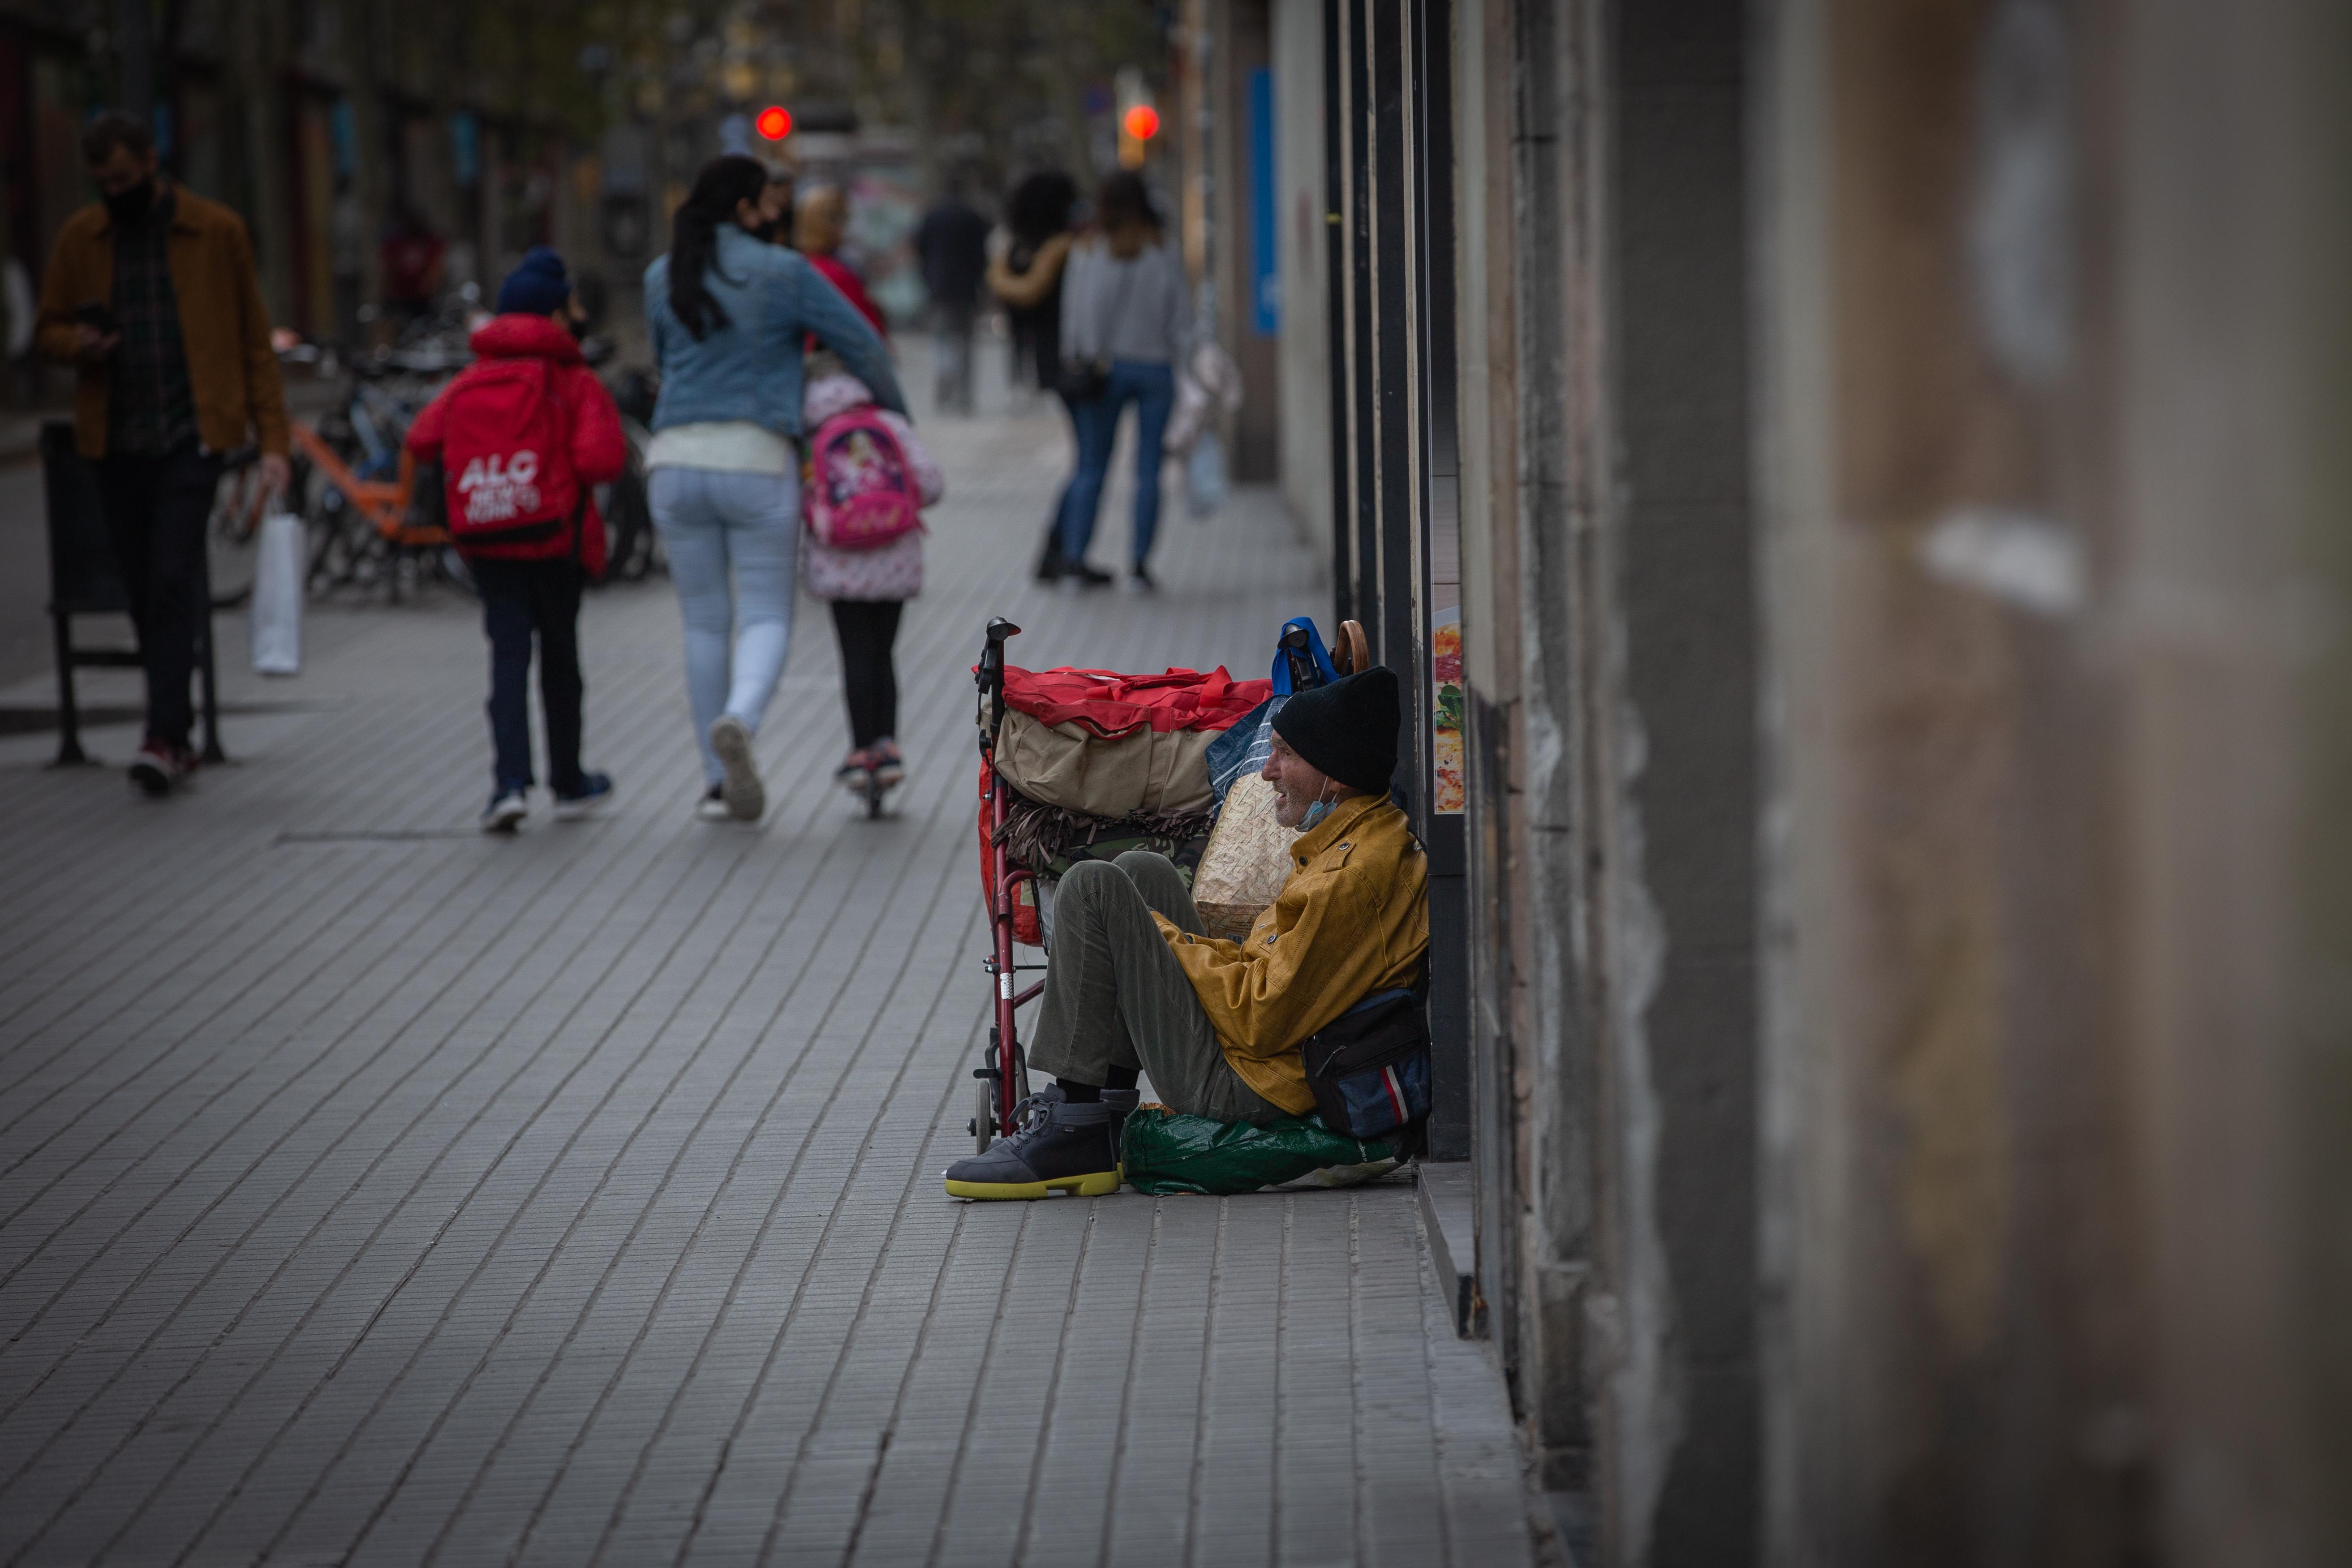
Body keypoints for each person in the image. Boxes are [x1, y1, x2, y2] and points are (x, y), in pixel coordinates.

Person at [943, 668, 1427, 1200]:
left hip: (1256, 1087)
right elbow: (1271, 984)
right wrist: (1164, 942)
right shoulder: (1363, 836)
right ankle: (1105, 1105)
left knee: (1091, 887)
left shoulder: (1350, 878)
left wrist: (1152, 940)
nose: (1267, 772)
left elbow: (1259, 1020)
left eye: (1284, 754)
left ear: (1334, 775)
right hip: (1272, 1057)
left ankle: (1073, 1125)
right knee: (1140, 870)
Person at [643, 155, 906, 824]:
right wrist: (892, 417)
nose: (774, 216)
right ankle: (740, 718)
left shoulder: (659, 275)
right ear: (742, 208)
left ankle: (713, 782)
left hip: (672, 460)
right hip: (757, 460)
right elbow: (862, 343)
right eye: (766, 204)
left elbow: (661, 359)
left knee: (703, 621)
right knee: (764, 614)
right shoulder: (784, 272)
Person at [35, 110, 289, 797]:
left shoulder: (215, 232)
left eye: (122, 177)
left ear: (151, 164)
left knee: (174, 574)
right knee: (144, 587)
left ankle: (164, 734)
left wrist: (273, 443)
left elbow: (253, 345)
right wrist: (78, 346)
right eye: (101, 182)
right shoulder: (82, 238)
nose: (113, 191)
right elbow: (47, 328)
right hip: (114, 440)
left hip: (190, 436)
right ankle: (171, 719)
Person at [404, 248, 625, 833]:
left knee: (506, 658)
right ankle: (568, 780)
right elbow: (601, 459)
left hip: (488, 542)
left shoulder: (471, 378)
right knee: (559, 660)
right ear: (555, 315)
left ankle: (507, 785)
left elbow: (422, 438)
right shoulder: (572, 378)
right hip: (555, 542)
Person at [798, 368, 944, 796]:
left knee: (854, 657)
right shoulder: (890, 423)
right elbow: (932, 485)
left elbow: (800, 501)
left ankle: (861, 752)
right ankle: (888, 748)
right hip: (893, 561)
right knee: (884, 654)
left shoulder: (811, 433)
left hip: (839, 565)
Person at [1056, 171, 1191, 595]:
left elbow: (1076, 316)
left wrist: (1079, 356)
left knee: (1091, 467)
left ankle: (1075, 558)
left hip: (1104, 370)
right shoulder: (1163, 250)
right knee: (1149, 471)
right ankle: (1139, 565)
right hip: (1155, 369)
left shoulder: (1088, 249)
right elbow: (1181, 318)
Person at [986, 170, 1092, 583]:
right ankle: (1061, 551)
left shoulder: (1015, 252)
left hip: (1048, 364)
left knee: (1085, 461)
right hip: (1076, 363)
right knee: (1088, 463)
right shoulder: (1065, 250)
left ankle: (1060, 548)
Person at [913, 174, 991, 414]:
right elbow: (982, 254)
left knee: (942, 339)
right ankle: (964, 395)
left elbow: (920, 248)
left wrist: (926, 276)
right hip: (966, 288)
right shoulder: (973, 216)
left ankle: (945, 383)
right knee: (966, 343)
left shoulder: (932, 216)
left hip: (938, 286)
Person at [793, 182, 888, 339]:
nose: (849, 228)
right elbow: (869, 333)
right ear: (829, 225)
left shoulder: (798, 265)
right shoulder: (835, 273)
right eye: (844, 220)